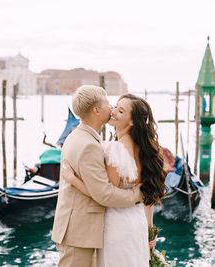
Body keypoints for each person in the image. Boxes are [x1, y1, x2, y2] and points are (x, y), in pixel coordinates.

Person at [62, 93, 167, 267]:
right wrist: (150, 229)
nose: (113, 112)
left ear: (132, 122)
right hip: (137, 222)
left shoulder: (116, 150)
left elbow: (104, 196)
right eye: (115, 106)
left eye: (120, 111)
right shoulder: (146, 151)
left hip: (118, 225)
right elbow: (148, 194)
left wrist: (72, 179)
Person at [51, 86, 143, 267]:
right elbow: (104, 194)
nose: (112, 108)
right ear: (96, 110)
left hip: (78, 231)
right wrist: (138, 195)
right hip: (78, 233)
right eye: (108, 103)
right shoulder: (88, 145)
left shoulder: (78, 136)